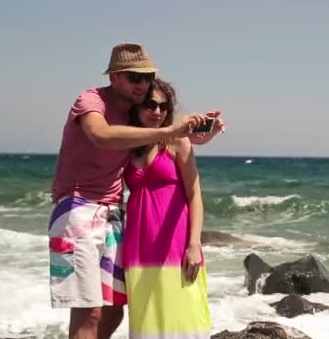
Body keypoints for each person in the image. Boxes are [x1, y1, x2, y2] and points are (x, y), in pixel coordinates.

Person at [48, 43, 223, 339]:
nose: (142, 84)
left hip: (114, 215)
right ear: (114, 76)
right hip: (78, 207)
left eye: (147, 76)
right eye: (134, 77)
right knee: (88, 311)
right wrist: (169, 131)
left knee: (115, 309)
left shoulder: (133, 112)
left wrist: (197, 134)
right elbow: (102, 135)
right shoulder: (92, 100)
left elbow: (167, 147)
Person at [123, 78, 211, 338]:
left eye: (164, 106)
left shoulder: (178, 143)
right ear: (137, 107)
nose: (157, 112)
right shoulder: (128, 147)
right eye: (150, 105)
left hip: (176, 245)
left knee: (183, 315)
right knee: (147, 320)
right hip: (139, 247)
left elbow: (195, 195)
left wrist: (194, 244)